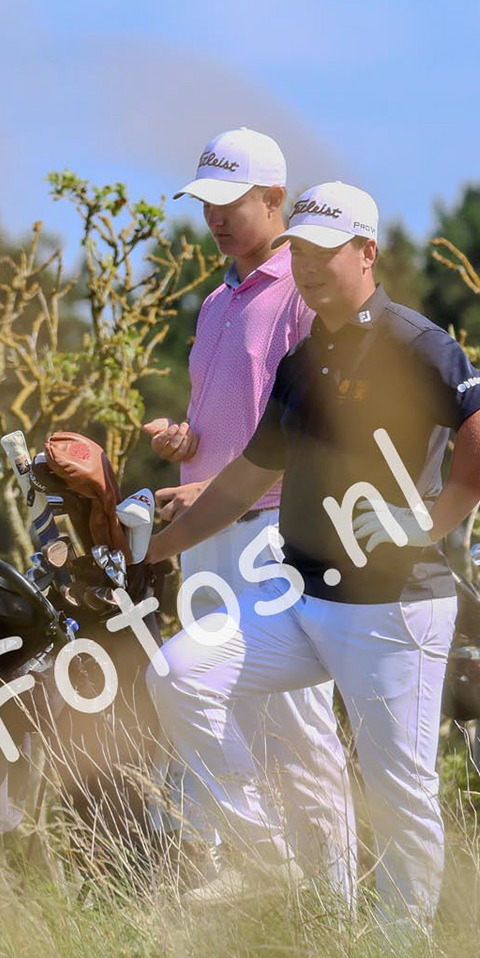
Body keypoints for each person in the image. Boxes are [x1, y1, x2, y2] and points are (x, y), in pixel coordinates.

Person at [145, 181, 480, 929]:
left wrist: (432, 520)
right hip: (302, 597)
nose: (307, 268)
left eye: (324, 253)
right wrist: (155, 548)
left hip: (393, 605)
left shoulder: (414, 341)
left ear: (366, 252)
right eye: (298, 253)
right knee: (180, 672)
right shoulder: (305, 360)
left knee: (398, 792)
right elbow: (243, 480)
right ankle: (269, 858)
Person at [143, 128, 349, 902]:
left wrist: (221, 483)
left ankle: (334, 906)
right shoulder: (218, 300)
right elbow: (236, 419)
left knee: (295, 724)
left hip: (273, 533)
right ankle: (273, 877)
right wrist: (187, 440)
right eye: (207, 205)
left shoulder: (302, 293)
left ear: (274, 201)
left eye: (232, 204)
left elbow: (323, 428)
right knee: (210, 703)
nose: (216, 219)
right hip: (208, 537)